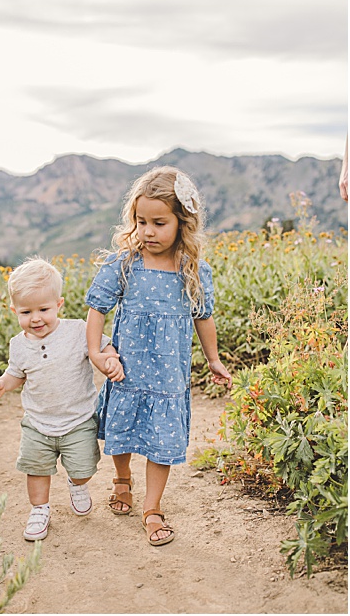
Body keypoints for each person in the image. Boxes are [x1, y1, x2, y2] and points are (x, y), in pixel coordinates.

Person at [85, 166, 232, 547]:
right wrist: (95, 352)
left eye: (158, 223)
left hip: (169, 377)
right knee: (121, 433)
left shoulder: (193, 271)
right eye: (140, 221)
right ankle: (121, 479)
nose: (147, 231)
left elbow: (204, 318)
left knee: (160, 440)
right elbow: (96, 309)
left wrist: (213, 359)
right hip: (127, 373)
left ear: (182, 223)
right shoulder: (124, 264)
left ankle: (152, 508)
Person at [0, 258, 123, 541]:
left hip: (78, 419)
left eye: (43, 310)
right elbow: (17, 374)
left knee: (85, 468)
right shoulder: (18, 345)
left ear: (58, 305)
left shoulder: (77, 331)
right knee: (36, 470)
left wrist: (110, 358)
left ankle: (77, 483)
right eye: (26, 312)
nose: (35, 318)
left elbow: (103, 344)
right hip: (38, 423)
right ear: (14, 311)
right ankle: (40, 509)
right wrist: (2, 384)